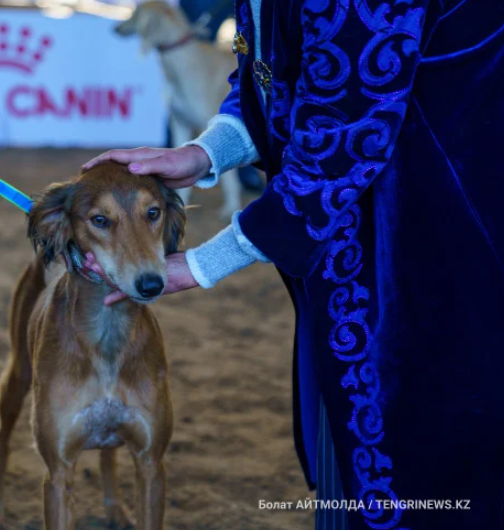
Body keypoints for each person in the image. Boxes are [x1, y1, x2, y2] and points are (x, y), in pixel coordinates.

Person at [85, 0, 504, 528]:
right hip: (352, 250)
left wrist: (204, 263)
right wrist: (203, 154)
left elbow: (340, 136)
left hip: (433, 242)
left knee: (430, 456)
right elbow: (270, 80)